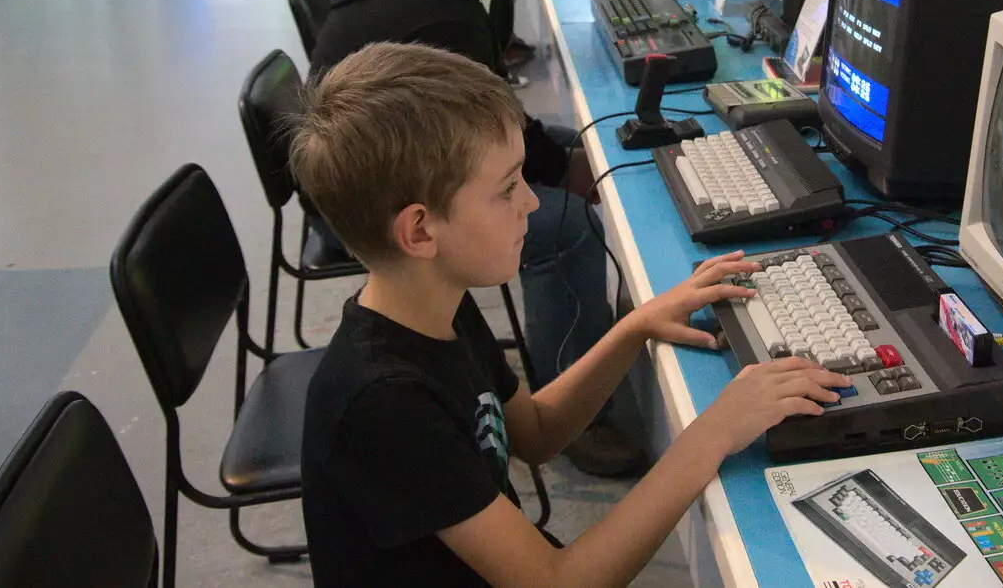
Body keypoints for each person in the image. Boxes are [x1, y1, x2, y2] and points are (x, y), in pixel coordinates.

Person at [292, 41, 848, 586]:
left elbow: (533, 432)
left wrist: (634, 325)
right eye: (508, 188)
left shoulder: (435, 304)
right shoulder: (383, 402)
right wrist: (715, 431)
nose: (532, 202)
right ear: (419, 230)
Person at [308, 0, 644, 477]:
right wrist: (574, 174)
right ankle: (580, 417)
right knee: (567, 224)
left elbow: (503, 124)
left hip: (398, 152)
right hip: (360, 198)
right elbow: (502, 127)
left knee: (576, 150)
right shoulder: (442, 11)